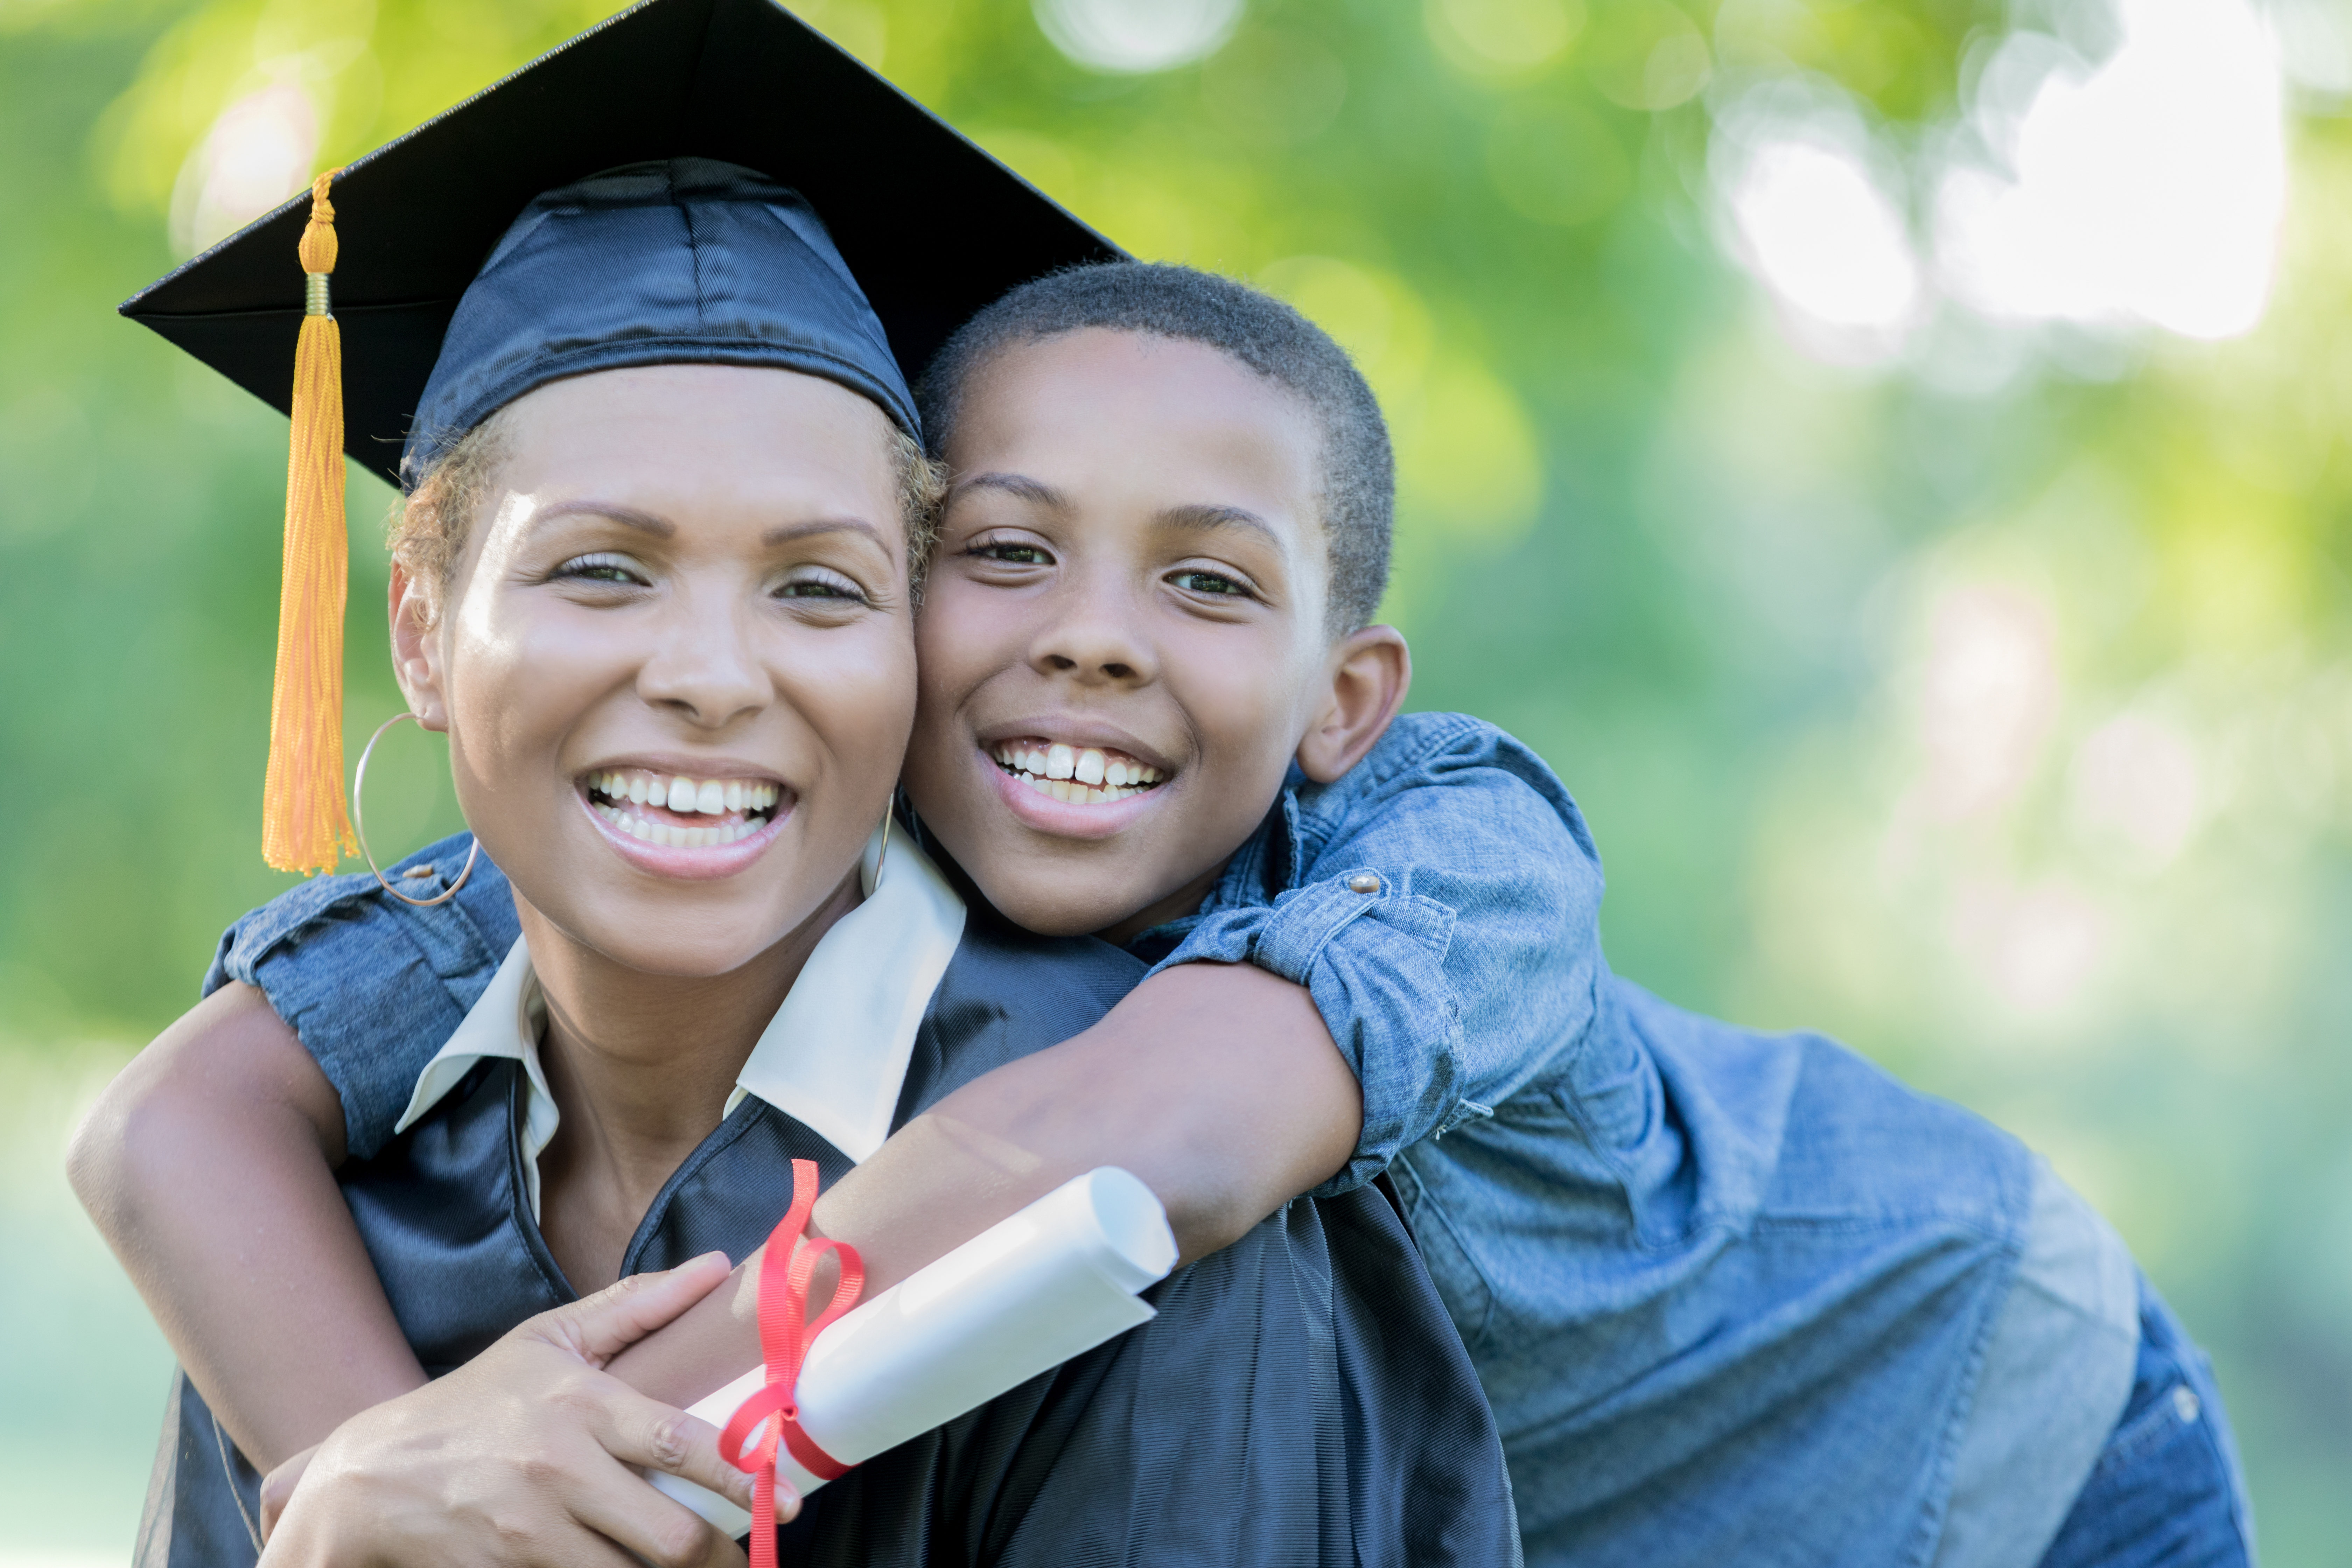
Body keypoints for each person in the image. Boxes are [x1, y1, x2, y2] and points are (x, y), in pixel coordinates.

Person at [78, 11, 2256, 1568]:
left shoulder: (1445, 846)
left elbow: (1135, 1153)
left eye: (1206, 584)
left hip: (1979, 1430)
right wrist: (371, 1466)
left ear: (1349, 692)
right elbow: (175, 1115)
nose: (1091, 638)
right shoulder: (746, 809)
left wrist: (535, 1469)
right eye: (1004, 556)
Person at [87, 9, 1522, 1565]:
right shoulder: (311, 1213)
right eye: (600, 567)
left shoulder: (1123, 1226)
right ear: (423, 634)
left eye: (820, 588)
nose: (713, 674)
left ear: (914, 644)